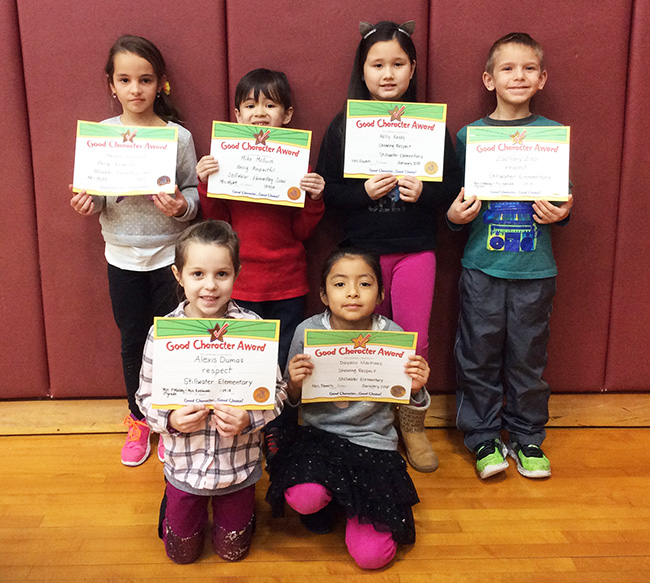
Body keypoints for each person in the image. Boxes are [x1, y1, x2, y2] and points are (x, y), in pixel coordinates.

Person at [316, 21, 462, 473]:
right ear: (363, 70)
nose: (387, 74)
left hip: (416, 247)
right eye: (377, 64)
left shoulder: (431, 127)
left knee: (411, 342)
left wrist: (428, 193)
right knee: (361, 341)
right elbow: (328, 193)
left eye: (398, 64)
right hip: (363, 252)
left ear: (412, 68)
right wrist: (364, 192)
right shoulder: (344, 125)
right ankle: (371, 422)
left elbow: (455, 189)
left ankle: (411, 426)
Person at [447, 32, 573, 480]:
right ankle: (482, 437)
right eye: (507, 68)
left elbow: (562, 202)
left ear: (542, 79)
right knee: (477, 354)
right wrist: (454, 216)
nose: (518, 76)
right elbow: (452, 203)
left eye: (528, 69)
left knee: (527, 358)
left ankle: (526, 438)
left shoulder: (552, 137)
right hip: (483, 266)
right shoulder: (469, 137)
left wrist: (563, 211)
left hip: (535, 270)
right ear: (488, 79)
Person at [69, 35, 199, 467]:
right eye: (125, 80)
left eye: (144, 79)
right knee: (132, 341)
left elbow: (192, 192)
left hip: (168, 258)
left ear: (160, 84)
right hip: (121, 257)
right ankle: (139, 418)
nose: (135, 89)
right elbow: (98, 194)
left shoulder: (177, 137)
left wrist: (183, 207)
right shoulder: (101, 136)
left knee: (171, 339)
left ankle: (174, 418)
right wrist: (89, 203)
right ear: (112, 84)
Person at [266, 248, 430, 570]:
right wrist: (295, 384)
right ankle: (327, 502)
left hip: (373, 443)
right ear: (324, 295)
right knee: (304, 496)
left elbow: (405, 401)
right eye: (340, 284)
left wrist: (416, 389)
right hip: (320, 438)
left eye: (365, 284)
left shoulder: (393, 336)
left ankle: (350, 504)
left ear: (380, 294)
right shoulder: (307, 332)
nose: (353, 292)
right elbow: (291, 400)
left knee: (373, 557)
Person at [136, 220, 287, 564]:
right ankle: (173, 505)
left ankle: (234, 513)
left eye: (222, 274)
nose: (210, 286)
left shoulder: (254, 331)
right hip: (184, 468)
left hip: (237, 467)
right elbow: (144, 398)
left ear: (237, 273)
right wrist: (170, 419)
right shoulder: (162, 335)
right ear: (178, 275)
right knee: (182, 555)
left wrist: (250, 417)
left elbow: (276, 393)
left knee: (233, 552)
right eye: (198, 274)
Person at [196, 68, 325, 371]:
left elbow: (302, 231)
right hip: (241, 283)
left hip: (287, 283)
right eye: (251, 106)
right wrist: (205, 183)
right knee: (245, 361)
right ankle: (248, 419)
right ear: (238, 115)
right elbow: (218, 223)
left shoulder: (297, 164)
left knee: (285, 360)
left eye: (270, 105)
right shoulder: (224, 161)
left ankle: (282, 419)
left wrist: (315, 199)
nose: (260, 114)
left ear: (287, 113)